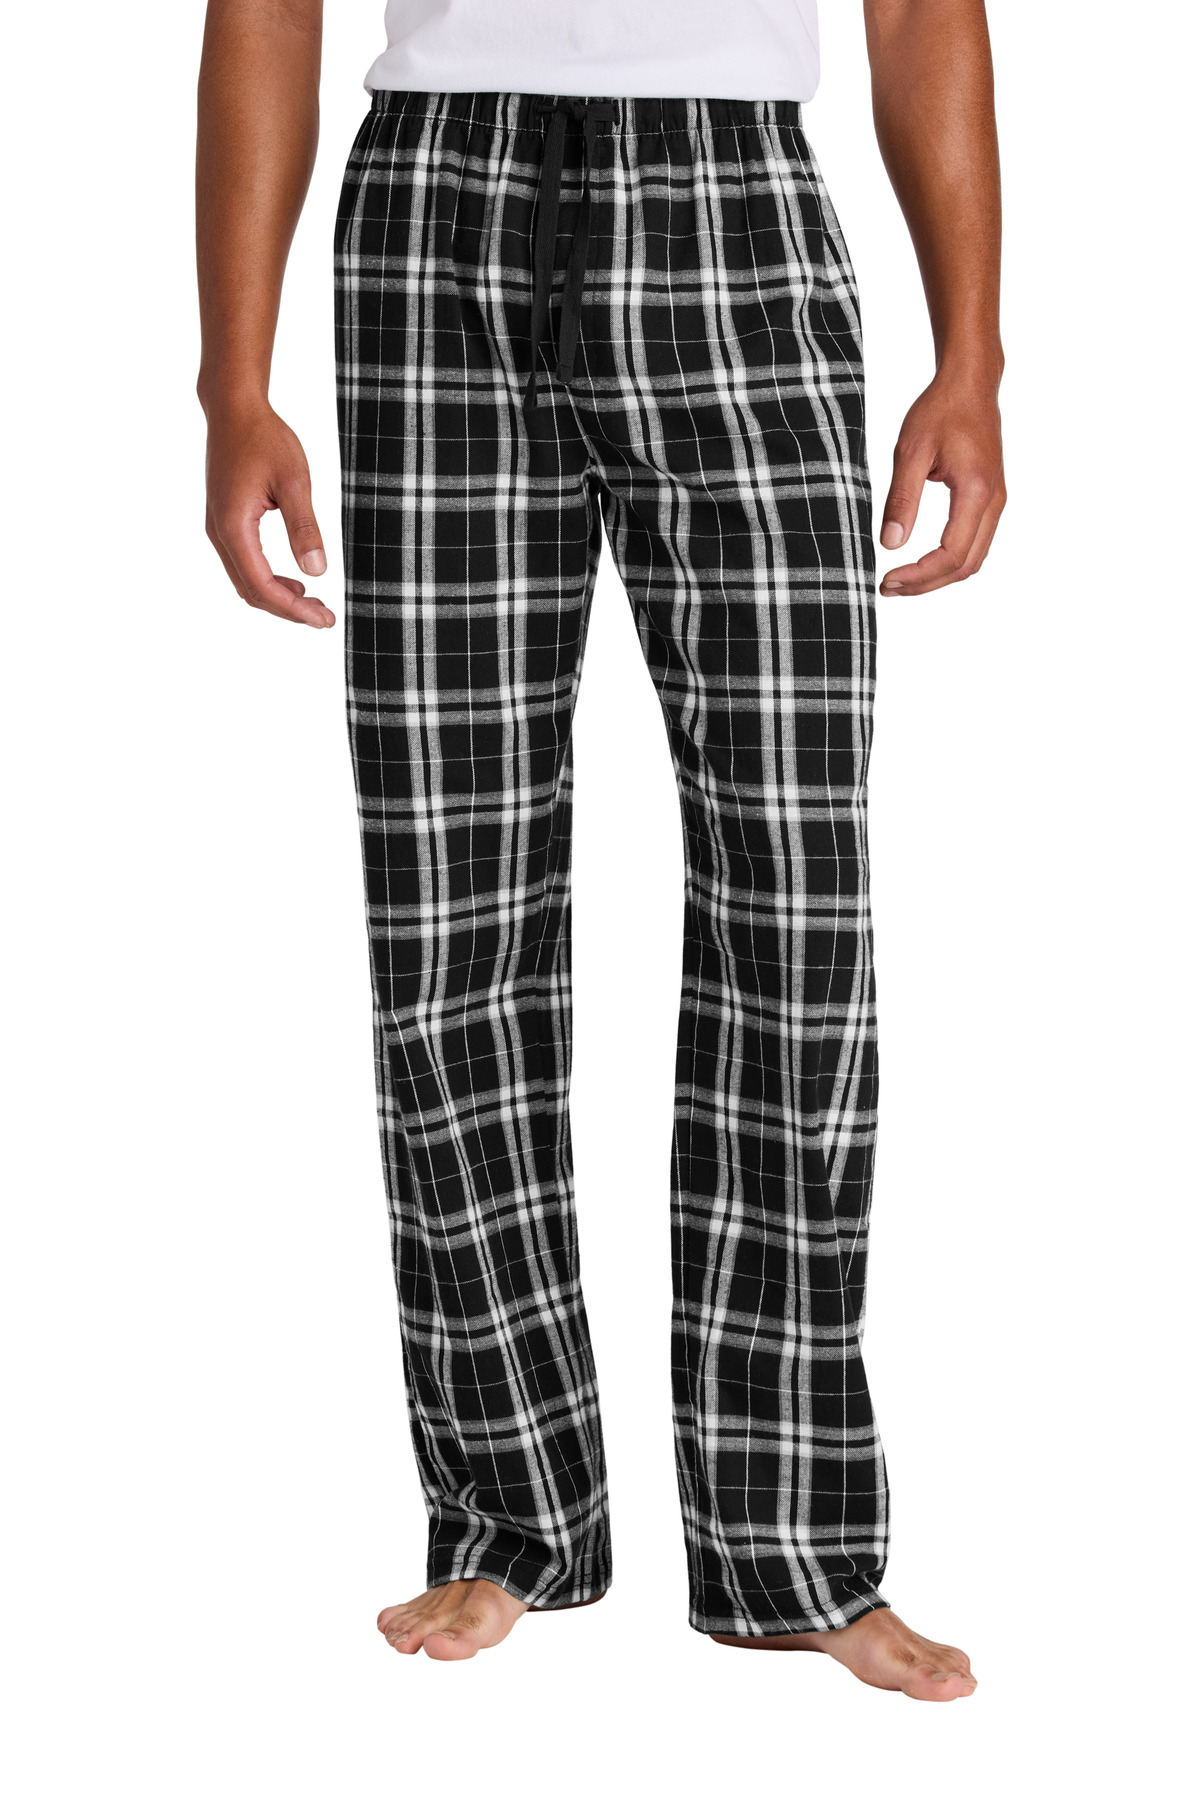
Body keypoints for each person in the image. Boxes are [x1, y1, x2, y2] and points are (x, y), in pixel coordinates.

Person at [196, 0, 1003, 1699]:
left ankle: (790, 1546)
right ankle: (510, 1517)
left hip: (738, 213)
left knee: (797, 908)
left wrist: (974, 356)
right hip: (434, 215)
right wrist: (233, 383)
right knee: (450, 903)